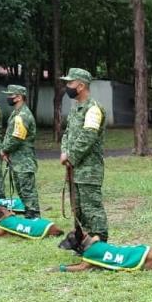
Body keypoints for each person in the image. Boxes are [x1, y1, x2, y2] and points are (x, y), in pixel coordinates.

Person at [59, 68, 108, 242]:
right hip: (75, 169)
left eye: (70, 83)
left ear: (80, 86)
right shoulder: (76, 108)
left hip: (89, 169)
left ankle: (100, 242)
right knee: (78, 208)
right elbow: (67, 134)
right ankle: (84, 241)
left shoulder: (93, 109)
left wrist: (70, 157)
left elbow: (87, 137)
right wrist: (65, 151)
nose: (67, 86)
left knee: (91, 208)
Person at [0, 85, 40, 219]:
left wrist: (4, 150)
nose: (8, 98)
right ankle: (29, 213)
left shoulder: (23, 115)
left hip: (24, 161)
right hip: (17, 159)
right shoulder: (16, 113)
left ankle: (34, 215)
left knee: (27, 190)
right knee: (22, 189)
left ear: (18, 97)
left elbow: (16, 137)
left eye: (10, 95)